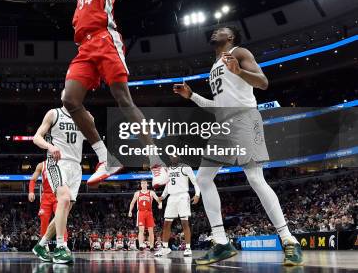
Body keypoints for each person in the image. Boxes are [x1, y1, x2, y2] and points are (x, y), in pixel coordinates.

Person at [52, 0, 164, 185]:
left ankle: (156, 163)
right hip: (84, 48)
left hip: (105, 39)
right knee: (70, 100)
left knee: (123, 99)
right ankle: (105, 157)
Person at [173, 26, 303, 266]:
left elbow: (263, 82)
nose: (215, 32)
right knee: (203, 179)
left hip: (244, 119)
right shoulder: (214, 68)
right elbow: (218, 106)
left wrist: (239, 70)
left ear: (230, 37)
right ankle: (222, 242)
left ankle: (289, 240)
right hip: (223, 124)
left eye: (221, 30)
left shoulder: (239, 52)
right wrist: (191, 96)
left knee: (255, 178)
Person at [31, 102, 88, 264]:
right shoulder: (53, 114)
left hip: (76, 167)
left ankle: (41, 245)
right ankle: (60, 247)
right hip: (56, 162)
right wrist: (49, 146)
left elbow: (93, 138)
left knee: (64, 211)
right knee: (63, 199)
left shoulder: (84, 117)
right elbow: (36, 137)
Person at [154, 156, 200, 257]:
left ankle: (188, 248)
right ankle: (165, 248)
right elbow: (167, 185)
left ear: (179, 157)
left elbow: (195, 181)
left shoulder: (186, 167)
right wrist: (163, 196)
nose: (172, 158)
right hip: (171, 198)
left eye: (175, 156)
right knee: (166, 224)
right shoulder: (168, 169)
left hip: (183, 196)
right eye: (171, 156)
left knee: (184, 222)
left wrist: (197, 194)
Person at [128, 180, 161, 250]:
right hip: (141, 212)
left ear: (147, 184)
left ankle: (151, 246)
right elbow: (132, 202)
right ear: (140, 185)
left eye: (144, 183)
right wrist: (130, 211)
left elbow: (158, 199)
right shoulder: (137, 193)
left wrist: (160, 204)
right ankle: (140, 245)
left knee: (151, 230)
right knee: (141, 230)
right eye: (142, 183)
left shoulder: (151, 192)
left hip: (149, 212)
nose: (143, 184)